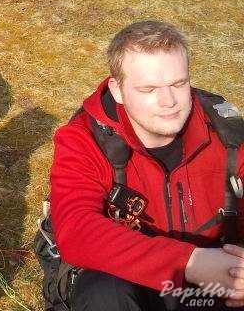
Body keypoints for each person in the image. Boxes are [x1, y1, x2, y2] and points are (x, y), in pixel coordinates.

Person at [50, 20, 244, 310]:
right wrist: (189, 262)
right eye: (149, 89)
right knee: (103, 291)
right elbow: (76, 230)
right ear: (117, 90)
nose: (169, 101)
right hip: (135, 282)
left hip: (219, 280)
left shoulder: (227, 133)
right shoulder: (84, 138)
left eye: (179, 84)